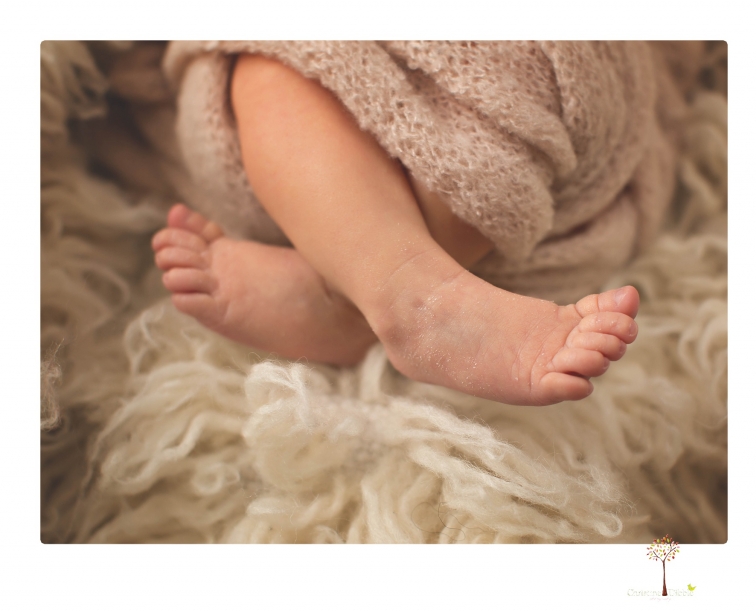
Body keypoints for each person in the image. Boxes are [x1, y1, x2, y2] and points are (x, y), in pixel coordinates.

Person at [152, 53, 642, 406]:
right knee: (276, 53)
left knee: (513, 81)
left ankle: (354, 290)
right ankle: (416, 297)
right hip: (288, 138)